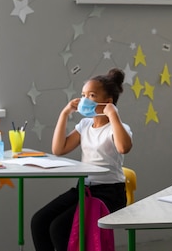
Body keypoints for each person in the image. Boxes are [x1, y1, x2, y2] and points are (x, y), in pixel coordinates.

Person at [31, 67, 133, 251]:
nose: (85, 99)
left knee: (59, 228)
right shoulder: (85, 125)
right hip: (83, 188)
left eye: (92, 95)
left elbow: (123, 147)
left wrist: (113, 115)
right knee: (39, 221)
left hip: (109, 193)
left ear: (108, 102)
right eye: (83, 94)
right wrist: (64, 114)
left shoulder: (118, 127)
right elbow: (59, 149)